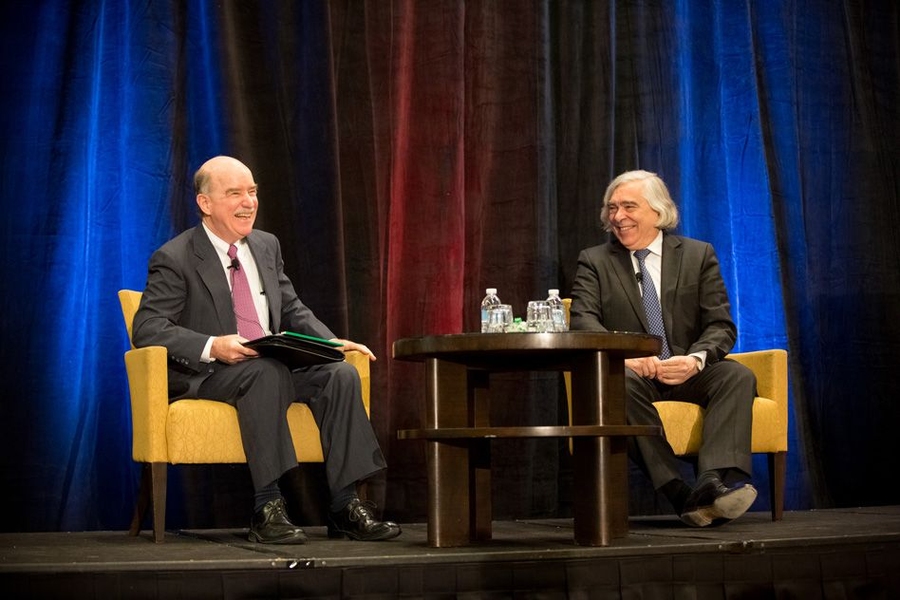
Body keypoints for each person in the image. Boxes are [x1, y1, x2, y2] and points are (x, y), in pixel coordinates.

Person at [132, 155, 401, 544]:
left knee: (339, 373)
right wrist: (214, 345)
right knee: (267, 372)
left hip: (269, 364)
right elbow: (148, 328)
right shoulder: (174, 258)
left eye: (253, 192)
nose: (249, 202)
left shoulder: (265, 245)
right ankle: (267, 507)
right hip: (210, 375)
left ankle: (345, 506)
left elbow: (291, 308)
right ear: (205, 204)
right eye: (235, 193)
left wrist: (328, 344)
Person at [569, 169, 758, 527]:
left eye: (628, 207)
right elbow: (583, 322)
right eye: (612, 208)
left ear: (658, 212)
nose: (618, 217)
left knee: (737, 375)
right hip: (633, 373)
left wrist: (695, 360)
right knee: (615, 384)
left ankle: (710, 481)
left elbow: (720, 325)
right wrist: (626, 357)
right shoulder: (594, 261)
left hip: (684, 369)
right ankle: (679, 493)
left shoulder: (697, 255)